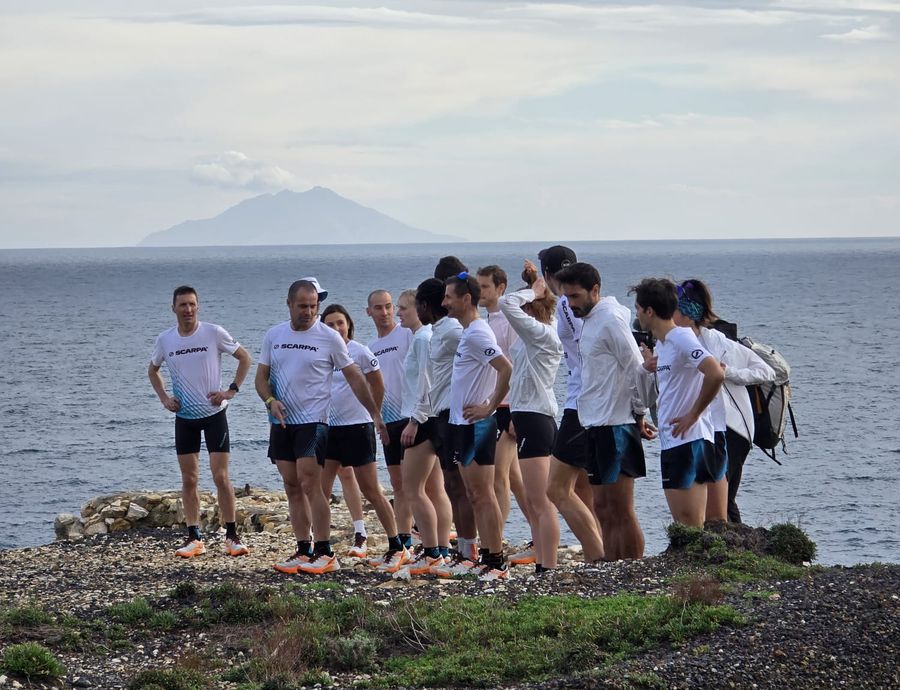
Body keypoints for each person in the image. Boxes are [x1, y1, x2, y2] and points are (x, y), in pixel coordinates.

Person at [256, 278, 387, 575]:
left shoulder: (329, 337)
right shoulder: (274, 335)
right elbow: (261, 378)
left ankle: (325, 552)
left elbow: (355, 377)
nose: (308, 312)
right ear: (289, 304)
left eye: (313, 306)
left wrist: (374, 413)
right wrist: (270, 400)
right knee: (291, 485)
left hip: (313, 421)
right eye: (302, 306)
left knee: (309, 483)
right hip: (282, 421)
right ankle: (303, 549)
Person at [556, 262, 656, 560]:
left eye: (575, 296)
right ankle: (611, 568)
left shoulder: (611, 319)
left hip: (617, 424)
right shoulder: (590, 319)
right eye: (566, 297)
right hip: (594, 424)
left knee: (621, 509)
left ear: (595, 290)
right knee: (601, 507)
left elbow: (637, 368)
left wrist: (638, 414)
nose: (570, 304)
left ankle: (633, 569)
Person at [148, 286, 253, 558]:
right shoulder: (165, 340)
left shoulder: (213, 333)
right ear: (173, 308)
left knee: (220, 476)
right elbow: (153, 370)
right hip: (185, 418)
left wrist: (230, 390)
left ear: (198, 306)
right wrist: (164, 398)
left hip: (214, 415)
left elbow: (245, 358)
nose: (188, 309)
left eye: (192, 304)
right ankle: (194, 537)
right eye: (183, 304)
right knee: (189, 478)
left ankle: (232, 536)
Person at [672, 279, 775, 523]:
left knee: (723, 501)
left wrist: (727, 373)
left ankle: (736, 545)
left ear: (687, 312)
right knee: (713, 498)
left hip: (732, 428)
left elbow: (767, 371)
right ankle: (732, 543)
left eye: (672, 309)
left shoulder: (718, 342)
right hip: (705, 426)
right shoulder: (675, 342)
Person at [319, 303, 409, 569]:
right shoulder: (322, 353)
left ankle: (397, 545)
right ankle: (321, 548)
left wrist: (374, 415)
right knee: (320, 491)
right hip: (328, 429)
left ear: (349, 325)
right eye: (330, 324)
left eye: (340, 323)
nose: (336, 328)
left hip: (357, 428)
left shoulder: (360, 352)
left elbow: (378, 384)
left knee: (371, 490)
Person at [631, 278, 725, 527]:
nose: (636, 314)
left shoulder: (681, 337)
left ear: (649, 311)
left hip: (689, 441)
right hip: (672, 440)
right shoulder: (663, 344)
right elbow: (660, 394)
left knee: (690, 524)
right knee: (682, 524)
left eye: (638, 308)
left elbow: (715, 373)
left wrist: (694, 414)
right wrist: (645, 369)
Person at [442, 272, 513, 580]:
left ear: (466, 299)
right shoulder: (469, 332)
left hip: (476, 425)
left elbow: (506, 368)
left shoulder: (477, 334)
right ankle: (484, 555)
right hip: (461, 424)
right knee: (473, 493)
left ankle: (496, 561)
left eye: (449, 297)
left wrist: (490, 406)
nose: (444, 302)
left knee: (482, 494)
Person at [538, 248, 606, 563]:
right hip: (596, 402)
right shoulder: (596, 307)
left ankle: (597, 556)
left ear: (548, 275)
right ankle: (602, 555)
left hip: (580, 404)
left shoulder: (567, 305)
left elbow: (585, 350)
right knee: (587, 490)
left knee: (557, 489)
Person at [498, 268, 563, 572]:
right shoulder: (535, 336)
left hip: (537, 418)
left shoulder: (544, 335)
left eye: (526, 309)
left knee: (541, 500)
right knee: (536, 500)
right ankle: (542, 561)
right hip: (527, 415)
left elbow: (507, 303)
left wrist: (533, 291)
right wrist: (533, 282)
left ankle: (547, 566)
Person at [417, 276, 480, 578]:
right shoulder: (438, 331)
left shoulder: (454, 330)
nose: (444, 303)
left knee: (463, 486)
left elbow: (487, 361)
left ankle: (470, 550)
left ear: (424, 305)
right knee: (452, 485)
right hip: (440, 414)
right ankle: (463, 550)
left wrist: (486, 402)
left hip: (456, 415)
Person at [396, 288, 453, 575]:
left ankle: (431, 552)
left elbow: (426, 383)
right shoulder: (426, 336)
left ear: (420, 308)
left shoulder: (422, 338)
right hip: (431, 418)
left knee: (413, 489)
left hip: (423, 419)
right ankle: (441, 549)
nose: (398, 313)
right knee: (434, 488)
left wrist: (415, 420)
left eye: (404, 308)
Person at [475, 265, 531, 560]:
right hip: (494, 404)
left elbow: (518, 365)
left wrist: (516, 410)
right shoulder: (487, 319)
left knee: (499, 477)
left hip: (508, 406)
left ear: (501, 288)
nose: (480, 291)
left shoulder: (508, 320)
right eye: (478, 286)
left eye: (485, 286)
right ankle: (536, 534)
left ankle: (494, 543)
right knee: (516, 480)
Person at [366, 289, 415, 552]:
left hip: (410, 417)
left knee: (415, 483)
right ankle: (404, 540)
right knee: (398, 484)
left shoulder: (406, 334)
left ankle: (433, 539)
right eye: (378, 308)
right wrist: (376, 417)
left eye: (388, 306)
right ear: (369, 312)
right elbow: (371, 387)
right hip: (388, 422)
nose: (384, 313)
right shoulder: (371, 348)